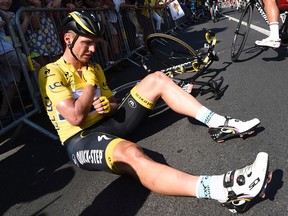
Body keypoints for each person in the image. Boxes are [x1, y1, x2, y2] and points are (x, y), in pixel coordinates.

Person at [38, 11, 270, 213]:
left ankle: (219, 123)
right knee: (131, 153)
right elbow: (76, 117)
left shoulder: (95, 67)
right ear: (68, 39)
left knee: (157, 79)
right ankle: (225, 189)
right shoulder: (51, 72)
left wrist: (110, 105)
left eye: (95, 43)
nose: (93, 49)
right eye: (87, 43)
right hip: (81, 138)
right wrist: (89, 83)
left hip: (109, 122)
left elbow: (113, 101)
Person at [0, 0, 40, 119]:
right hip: (6, 52)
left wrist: (27, 18)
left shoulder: (10, 14)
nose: (6, 1)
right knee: (36, 67)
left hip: (13, 50)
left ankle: (3, 113)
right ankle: (39, 102)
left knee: (14, 83)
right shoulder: (5, 15)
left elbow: (20, 32)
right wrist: (4, 19)